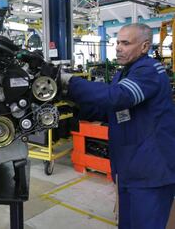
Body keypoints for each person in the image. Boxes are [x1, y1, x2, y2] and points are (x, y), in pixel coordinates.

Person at [62, 23, 175, 229]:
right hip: (128, 169)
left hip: (151, 171)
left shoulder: (149, 70)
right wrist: (72, 112)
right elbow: (111, 110)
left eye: (125, 43)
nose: (118, 48)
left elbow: (118, 97)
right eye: (117, 42)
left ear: (144, 46)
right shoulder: (123, 73)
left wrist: (70, 83)